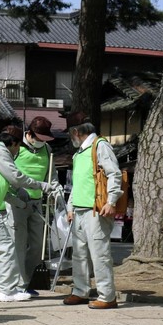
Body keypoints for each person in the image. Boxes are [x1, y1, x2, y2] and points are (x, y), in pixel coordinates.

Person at [0, 126, 59, 302]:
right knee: (6, 246)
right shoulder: (0, 152)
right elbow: (16, 177)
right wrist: (41, 185)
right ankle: (8, 290)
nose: (18, 150)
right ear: (13, 143)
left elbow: (5, 190)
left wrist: (20, 202)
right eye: (17, 146)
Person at [62, 112, 121, 309]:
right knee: (78, 254)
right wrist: (70, 207)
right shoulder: (79, 153)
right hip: (79, 209)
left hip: (96, 209)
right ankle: (80, 290)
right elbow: (77, 183)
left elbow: (114, 173)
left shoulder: (100, 146)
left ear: (76, 132)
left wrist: (111, 200)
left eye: (71, 134)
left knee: (99, 253)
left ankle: (107, 295)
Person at [6, 117, 57, 296]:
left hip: (37, 203)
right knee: (18, 243)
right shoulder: (16, 149)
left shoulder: (47, 149)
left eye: (45, 139)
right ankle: (17, 283)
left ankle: (26, 281)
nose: (42, 142)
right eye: (39, 138)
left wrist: (54, 188)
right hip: (18, 202)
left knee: (37, 245)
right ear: (29, 134)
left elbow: (52, 174)